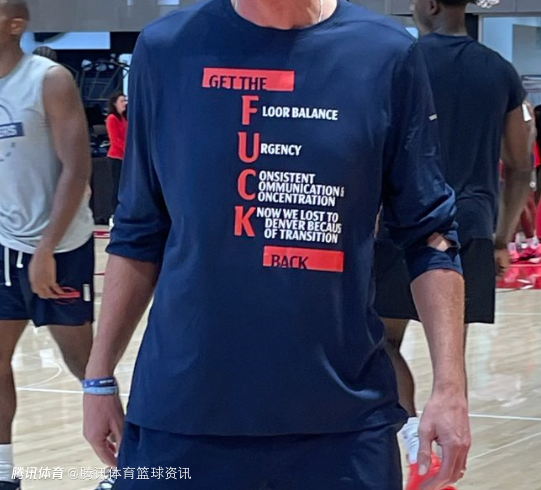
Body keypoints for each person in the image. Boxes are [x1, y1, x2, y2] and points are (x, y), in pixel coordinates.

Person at [84, 1, 471, 490]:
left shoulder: (385, 54)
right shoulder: (166, 50)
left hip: (342, 423)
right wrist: (98, 376)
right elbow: (140, 229)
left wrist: (450, 388)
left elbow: (430, 233)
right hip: (183, 412)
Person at [374, 0, 533, 488]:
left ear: (429, 5)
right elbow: (522, 164)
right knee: (451, 361)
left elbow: (371, 146)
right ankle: (443, 457)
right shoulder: (500, 71)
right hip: (472, 225)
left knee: (382, 342)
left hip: (402, 223)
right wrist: (501, 237)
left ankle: (409, 433)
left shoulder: (400, 58)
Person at [0, 1, 95, 489]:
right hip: (4, 246)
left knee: (87, 368)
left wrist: (45, 248)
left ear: (16, 25)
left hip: (60, 248)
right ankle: (3, 474)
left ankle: (131, 468)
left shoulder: (48, 79)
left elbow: (78, 169)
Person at [105, 91, 128, 227]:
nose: (125, 103)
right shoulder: (112, 118)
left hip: (124, 157)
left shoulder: (124, 118)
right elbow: (115, 140)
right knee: (117, 187)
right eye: (122, 101)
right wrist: (128, 151)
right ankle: (114, 214)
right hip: (116, 157)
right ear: (115, 103)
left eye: (125, 100)